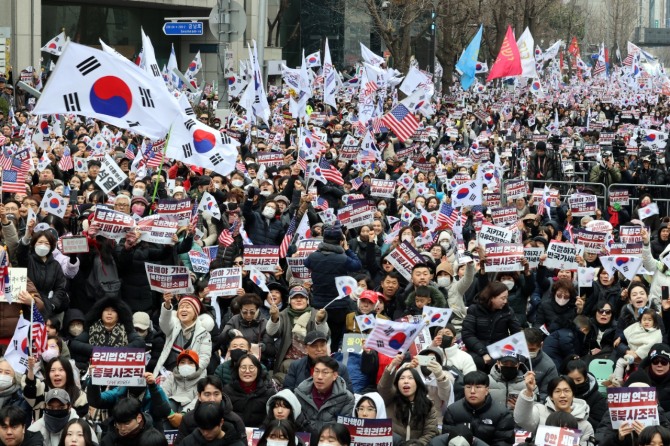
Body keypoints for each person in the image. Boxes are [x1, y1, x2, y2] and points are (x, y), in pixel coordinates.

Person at [304, 222, 362, 350]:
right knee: (335, 339)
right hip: (339, 306)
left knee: (320, 336)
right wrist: (347, 250)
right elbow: (358, 265)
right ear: (341, 241)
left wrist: (319, 249)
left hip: (318, 305)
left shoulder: (314, 257)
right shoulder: (343, 258)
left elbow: (306, 263)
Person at [266, 286, 328, 384]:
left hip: (313, 357)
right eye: (295, 297)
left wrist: (320, 321)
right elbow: (271, 332)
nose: (298, 300)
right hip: (289, 360)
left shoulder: (316, 313)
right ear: (289, 300)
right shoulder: (283, 314)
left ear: (307, 300)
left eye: (302, 297)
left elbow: (325, 335)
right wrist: (274, 318)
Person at [377, 355, 440, 445]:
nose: (406, 381)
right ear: (397, 383)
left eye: (410, 378)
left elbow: (430, 432)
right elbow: (383, 387)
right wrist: (392, 366)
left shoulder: (428, 405)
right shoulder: (390, 399)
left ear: (417, 383)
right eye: (402, 378)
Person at [514, 374, 594, 445]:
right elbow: (521, 419)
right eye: (557, 391)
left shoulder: (585, 425)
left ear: (573, 395)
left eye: (567, 391)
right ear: (551, 396)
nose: (562, 395)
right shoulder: (540, 411)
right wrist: (529, 391)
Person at [439, 371, 515, 446]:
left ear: (487, 390)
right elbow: (447, 439)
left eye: (478, 387)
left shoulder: (502, 413)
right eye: (468, 387)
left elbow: (504, 442)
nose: (472, 391)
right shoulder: (453, 411)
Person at [69, 298, 146, 372]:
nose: (109, 313)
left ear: (119, 314)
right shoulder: (92, 328)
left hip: (119, 370)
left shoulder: (125, 329)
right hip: (95, 370)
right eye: (106, 310)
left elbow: (140, 342)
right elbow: (75, 343)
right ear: (100, 313)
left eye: (113, 311)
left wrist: (117, 352)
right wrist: (97, 351)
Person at [461, 282, 521, 371]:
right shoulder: (474, 309)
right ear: (492, 298)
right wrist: (482, 352)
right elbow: (467, 334)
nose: (505, 301)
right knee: (475, 362)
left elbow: (516, 333)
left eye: (506, 298)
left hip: (500, 349)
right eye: (502, 298)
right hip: (477, 349)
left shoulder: (507, 311)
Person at [173, 376, 246, 446]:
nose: (212, 399)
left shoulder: (235, 420)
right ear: (199, 396)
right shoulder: (188, 419)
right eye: (207, 394)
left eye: (216, 394)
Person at [294, 357, 355, 437]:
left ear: (334, 375)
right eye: (316, 371)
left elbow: (343, 431)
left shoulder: (346, 398)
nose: (319, 377)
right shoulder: (300, 394)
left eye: (325, 372)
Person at [153, 294, 212, 375]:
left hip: (192, 377)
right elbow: (164, 322)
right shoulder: (173, 326)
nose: (184, 309)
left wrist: (190, 373)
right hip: (168, 375)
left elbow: (204, 358)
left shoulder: (204, 333)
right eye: (181, 307)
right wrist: (167, 305)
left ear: (195, 313)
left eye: (187, 307)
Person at [283, 331, 353, 392]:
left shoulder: (340, 368)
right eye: (314, 346)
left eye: (322, 345)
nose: (319, 349)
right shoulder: (296, 366)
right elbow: (288, 391)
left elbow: (348, 394)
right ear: (306, 348)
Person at [22, 357, 88, 419]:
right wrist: (31, 369)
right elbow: (30, 391)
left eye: (61, 370)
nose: (56, 373)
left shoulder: (79, 396)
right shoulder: (42, 389)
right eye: (52, 370)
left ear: (68, 373)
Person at [223, 354, 276, 428]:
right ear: (237, 370)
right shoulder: (227, 390)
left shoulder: (268, 392)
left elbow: (271, 417)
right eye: (243, 367)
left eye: (251, 367)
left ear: (258, 369)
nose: (247, 371)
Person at [27, 389, 96, 446]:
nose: (56, 410)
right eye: (51, 407)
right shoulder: (35, 429)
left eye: (61, 407)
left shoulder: (83, 427)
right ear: (45, 406)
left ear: (69, 407)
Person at [613, 308, 662, 384]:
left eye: (649, 320)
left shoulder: (656, 332)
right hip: (630, 354)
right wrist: (619, 338)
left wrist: (636, 354)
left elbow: (650, 345)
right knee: (620, 362)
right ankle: (618, 380)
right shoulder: (636, 326)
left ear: (654, 322)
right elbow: (627, 332)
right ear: (640, 320)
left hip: (645, 360)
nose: (646, 322)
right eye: (644, 319)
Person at [563, 358, 607, 429]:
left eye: (578, 380)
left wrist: (580, 415)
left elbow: (599, 425)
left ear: (586, 378)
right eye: (570, 380)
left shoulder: (597, 397)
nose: (574, 383)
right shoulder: (560, 394)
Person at [161, 350, 206, 414]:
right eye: (182, 362)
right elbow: (163, 395)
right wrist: (170, 413)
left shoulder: (202, 381)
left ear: (196, 366)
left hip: (190, 414)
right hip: (170, 411)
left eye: (190, 363)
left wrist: (184, 413)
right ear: (178, 365)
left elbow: (198, 400)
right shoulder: (172, 377)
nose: (186, 365)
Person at [179, 402, 245, 446]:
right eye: (202, 429)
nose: (205, 433)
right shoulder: (188, 442)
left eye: (210, 429)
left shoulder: (236, 444)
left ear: (221, 422)